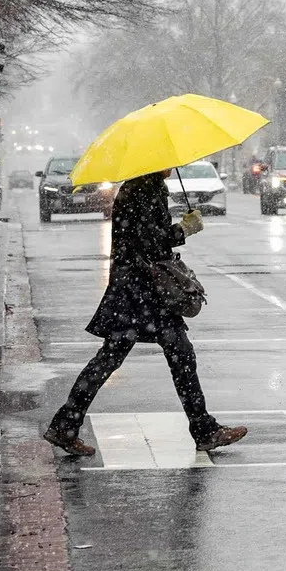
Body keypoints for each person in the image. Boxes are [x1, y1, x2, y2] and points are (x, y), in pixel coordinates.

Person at [43, 169, 247, 457]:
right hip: (143, 291)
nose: (170, 166)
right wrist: (184, 230)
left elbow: (144, 239)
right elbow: (151, 242)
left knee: (117, 358)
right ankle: (204, 430)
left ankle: (65, 425)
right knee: (179, 355)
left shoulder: (140, 188)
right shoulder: (144, 191)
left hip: (134, 288)